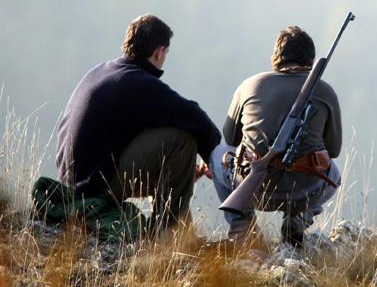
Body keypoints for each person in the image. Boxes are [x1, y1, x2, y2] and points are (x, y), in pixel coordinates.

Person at [56, 14, 221, 236]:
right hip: (93, 187)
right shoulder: (139, 83)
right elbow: (194, 118)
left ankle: (187, 238)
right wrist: (216, 155)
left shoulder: (105, 71)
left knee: (168, 146)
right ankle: (168, 239)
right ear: (160, 51)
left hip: (75, 182)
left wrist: (180, 169)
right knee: (181, 140)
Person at [210, 26, 342, 247]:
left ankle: (242, 229)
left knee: (218, 154)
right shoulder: (325, 91)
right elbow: (334, 150)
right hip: (305, 190)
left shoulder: (248, 85)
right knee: (334, 173)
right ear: (310, 60)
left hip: (254, 188)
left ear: (275, 58)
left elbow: (230, 138)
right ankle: (298, 218)